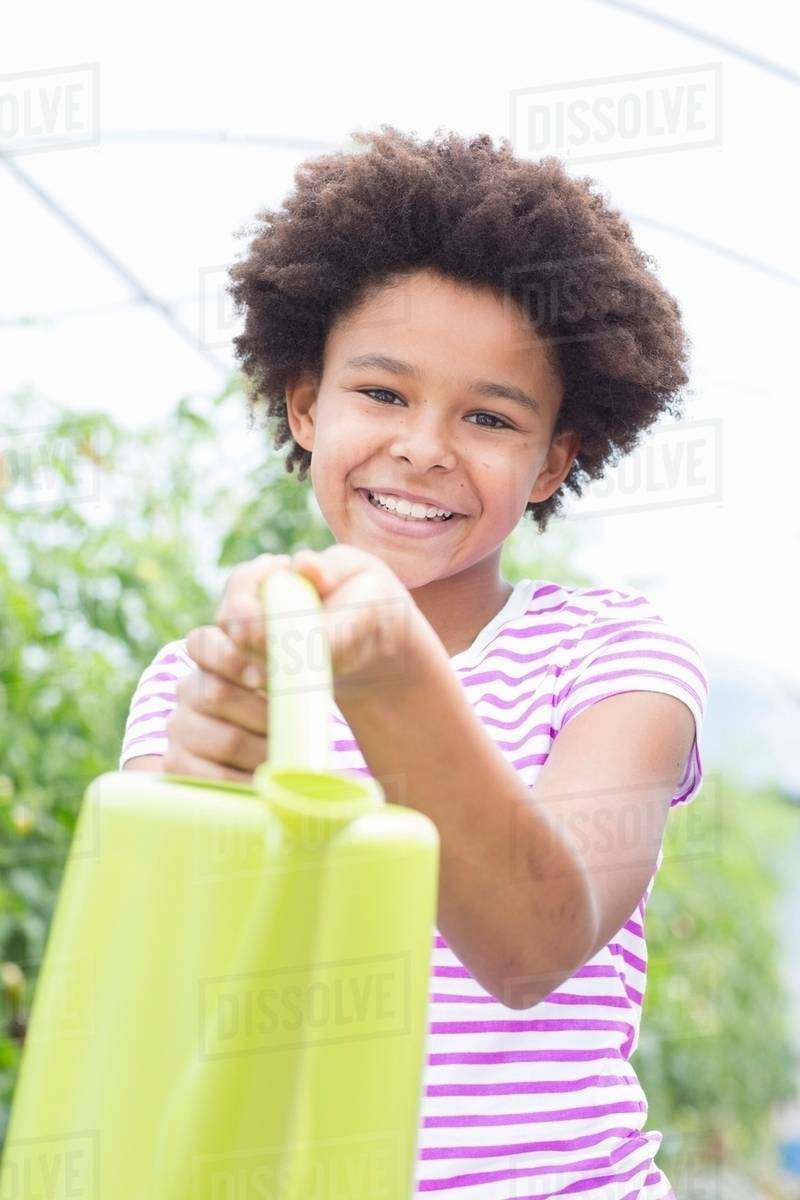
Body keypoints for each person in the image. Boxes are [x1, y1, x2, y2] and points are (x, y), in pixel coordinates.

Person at [120, 126, 708, 1199]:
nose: (424, 446)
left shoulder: (612, 661)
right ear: (307, 405)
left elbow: (535, 940)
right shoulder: (201, 680)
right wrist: (199, 790)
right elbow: (159, 1010)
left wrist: (393, 680)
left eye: (488, 416)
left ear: (550, 462)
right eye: (381, 394)